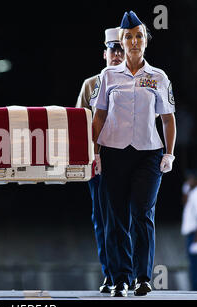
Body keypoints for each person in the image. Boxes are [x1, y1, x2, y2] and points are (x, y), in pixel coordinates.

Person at [91, 11, 177, 297]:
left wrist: (170, 154)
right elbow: (99, 115)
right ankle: (120, 278)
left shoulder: (158, 77)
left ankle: (142, 277)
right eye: (129, 37)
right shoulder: (108, 75)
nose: (134, 41)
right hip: (114, 152)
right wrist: (95, 152)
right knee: (115, 217)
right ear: (121, 41)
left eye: (139, 35)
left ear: (146, 41)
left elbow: (167, 118)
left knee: (142, 212)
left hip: (148, 154)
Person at [76, 27, 125, 293]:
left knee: (124, 217)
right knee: (102, 219)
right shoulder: (91, 85)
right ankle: (110, 272)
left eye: (121, 49)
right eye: (112, 49)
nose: (116, 55)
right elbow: (79, 124)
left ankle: (126, 274)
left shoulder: (135, 80)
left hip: (127, 157)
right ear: (104, 53)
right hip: (99, 158)